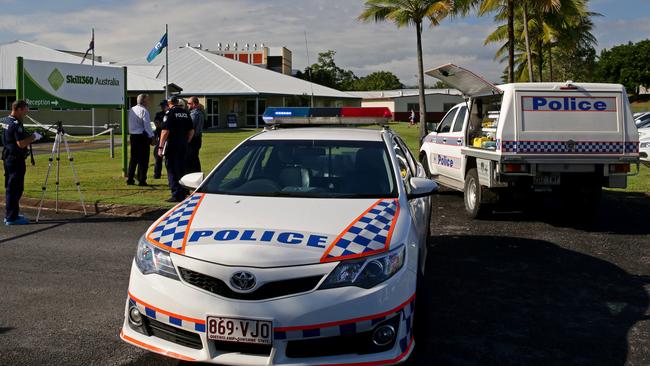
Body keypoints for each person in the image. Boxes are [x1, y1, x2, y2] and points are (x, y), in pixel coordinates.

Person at [2, 100, 42, 225]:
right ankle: (11, 218)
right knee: (15, 188)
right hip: (15, 159)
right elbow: (21, 143)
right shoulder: (15, 124)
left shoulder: (4, 120)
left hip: (8, 157)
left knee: (10, 187)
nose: (27, 112)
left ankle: (11, 213)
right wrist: (34, 137)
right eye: (25, 109)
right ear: (19, 109)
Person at [158, 96, 194, 202]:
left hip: (172, 145)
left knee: (171, 169)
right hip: (183, 144)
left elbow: (165, 131)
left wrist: (160, 147)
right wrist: (186, 141)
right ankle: (183, 192)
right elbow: (191, 130)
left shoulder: (170, 113)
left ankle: (176, 194)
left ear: (169, 103)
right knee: (182, 168)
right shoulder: (185, 113)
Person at [127, 94, 154, 186]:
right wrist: (152, 136)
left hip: (133, 136)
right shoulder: (144, 110)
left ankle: (130, 179)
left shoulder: (131, 109)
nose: (148, 102)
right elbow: (147, 125)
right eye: (147, 100)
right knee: (143, 160)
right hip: (142, 137)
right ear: (144, 101)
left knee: (133, 158)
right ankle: (142, 180)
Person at [186, 96, 204, 173]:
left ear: (194, 104)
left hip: (193, 139)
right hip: (198, 138)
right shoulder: (200, 113)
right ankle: (197, 173)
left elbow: (190, 127)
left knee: (191, 159)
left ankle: (194, 174)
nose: (187, 105)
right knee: (195, 158)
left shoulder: (194, 114)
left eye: (189, 103)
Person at [152, 99, 168, 179]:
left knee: (168, 158)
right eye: (161, 106)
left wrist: (163, 125)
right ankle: (157, 174)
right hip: (160, 138)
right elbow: (157, 124)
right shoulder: (158, 114)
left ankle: (170, 173)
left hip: (169, 139)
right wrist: (164, 125)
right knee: (157, 155)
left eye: (163, 105)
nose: (162, 107)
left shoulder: (170, 114)